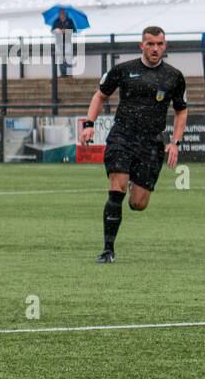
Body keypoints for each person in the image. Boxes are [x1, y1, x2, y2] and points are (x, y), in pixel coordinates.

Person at [78, 26, 186, 263]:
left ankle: (131, 188)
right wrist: (89, 124)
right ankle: (107, 250)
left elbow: (181, 110)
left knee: (138, 203)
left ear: (165, 46)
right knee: (116, 189)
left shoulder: (174, 76)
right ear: (142, 46)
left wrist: (175, 142)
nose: (155, 48)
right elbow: (100, 96)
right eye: (150, 44)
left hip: (152, 142)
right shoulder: (123, 70)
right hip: (122, 137)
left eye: (159, 44)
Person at [51, 7, 77, 77]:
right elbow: (52, 30)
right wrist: (57, 30)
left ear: (65, 13)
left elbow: (74, 30)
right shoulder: (56, 21)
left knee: (68, 57)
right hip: (59, 41)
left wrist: (65, 31)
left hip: (67, 41)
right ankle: (63, 74)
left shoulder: (69, 21)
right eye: (60, 13)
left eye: (63, 13)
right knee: (60, 58)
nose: (61, 14)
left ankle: (69, 73)